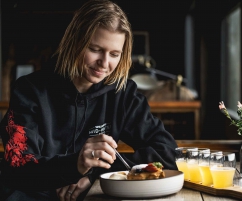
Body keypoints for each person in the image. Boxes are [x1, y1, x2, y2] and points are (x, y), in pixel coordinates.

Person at [0, 0, 178, 200]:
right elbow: (17, 165)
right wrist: (74, 166)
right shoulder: (30, 91)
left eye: (114, 54)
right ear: (75, 42)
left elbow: (167, 151)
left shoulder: (123, 93)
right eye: (95, 49)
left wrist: (95, 174)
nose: (104, 63)